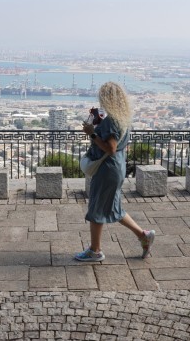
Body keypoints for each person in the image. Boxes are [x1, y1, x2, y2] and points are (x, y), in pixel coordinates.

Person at [76, 81, 156, 262]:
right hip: (116, 167)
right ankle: (144, 236)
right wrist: (95, 125)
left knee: (96, 209)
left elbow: (110, 147)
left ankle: (95, 251)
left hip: (107, 169)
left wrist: (92, 133)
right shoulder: (121, 118)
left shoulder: (112, 120)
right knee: (114, 207)